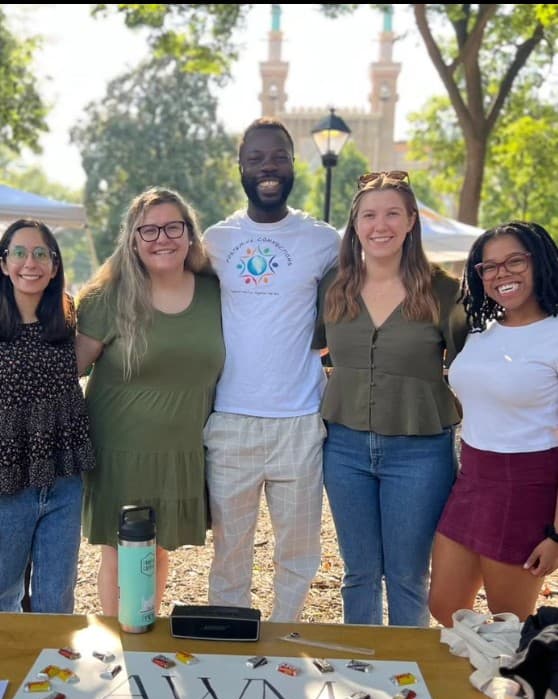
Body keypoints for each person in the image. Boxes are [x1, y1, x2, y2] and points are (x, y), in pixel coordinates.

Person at [202, 117, 340, 621]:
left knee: (299, 554)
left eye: (278, 156)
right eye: (256, 158)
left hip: (301, 420)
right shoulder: (215, 241)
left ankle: (284, 641)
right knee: (230, 554)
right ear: (240, 166)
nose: (268, 167)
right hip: (231, 421)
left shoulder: (325, 240)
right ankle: (230, 643)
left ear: (292, 164)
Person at [314, 170, 467, 627]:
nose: (380, 226)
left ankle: (406, 681)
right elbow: (310, 352)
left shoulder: (442, 290)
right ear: (355, 224)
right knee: (358, 573)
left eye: (392, 214)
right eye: (369, 215)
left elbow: (470, 369)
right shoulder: (333, 286)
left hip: (420, 452)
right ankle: (361, 673)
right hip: (344, 449)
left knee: (407, 576)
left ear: (411, 221)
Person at [75, 187, 225, 616]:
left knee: (157, 552)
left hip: (182, 449)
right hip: (119, 449)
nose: (162, 238)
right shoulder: (107, 298)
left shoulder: (217, 294)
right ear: (134, 240)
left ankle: (143, 630)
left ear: (190, 235)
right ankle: (116, 641)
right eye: (150, 230)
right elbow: (69, 371)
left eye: (173, 227)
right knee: (119, 553)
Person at [429, 220, 558, 626]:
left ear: (540, 263)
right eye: (489, 266)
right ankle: (470, 681)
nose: (502, 273)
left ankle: (510, 689)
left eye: (514, 261)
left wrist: (556, 535)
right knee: (445, 607)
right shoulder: (480, 331)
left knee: (509, 622)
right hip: (471, 480)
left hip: (525, 489)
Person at [0, 218, 95, 613]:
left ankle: (51, 674)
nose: (30, 263)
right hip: (7, 485)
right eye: (19, 253)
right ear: (3, 263)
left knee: (55, 601)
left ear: (55, 266)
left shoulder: (68, 319)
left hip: (63, 482)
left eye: (42, 253)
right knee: (3, 597)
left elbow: (104, 336)